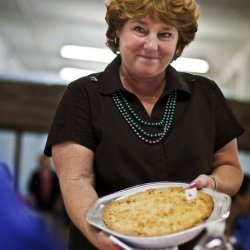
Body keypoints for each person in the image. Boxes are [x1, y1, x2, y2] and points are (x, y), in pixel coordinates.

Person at [44, 0, 245, 249]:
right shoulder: (82, 95)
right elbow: (77, 180)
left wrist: (213, 183)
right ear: (118, 30)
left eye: (165, 34)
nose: (152, 45)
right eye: (140, 29)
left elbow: (230, 167)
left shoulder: (206, 94)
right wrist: (98, 233)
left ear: (178, 41)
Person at [0, 161, 63, 250]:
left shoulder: (54, 176)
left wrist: (58, 202)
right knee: (41, 227)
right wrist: (32, 198)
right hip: (38, 206)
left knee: (50, 229)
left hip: (50, 207)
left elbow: (59, 191)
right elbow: (31, 188)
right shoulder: (36, 174)